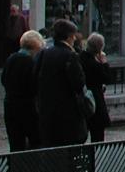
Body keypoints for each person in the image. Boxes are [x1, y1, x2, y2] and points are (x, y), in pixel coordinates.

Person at [35, 19, 89, 147]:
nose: (75, 38)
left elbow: (35, 77)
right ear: (70, 36)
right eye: (74, 35)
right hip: (67, 115)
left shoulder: (44, 53)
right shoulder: (70, 55)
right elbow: (79, 83)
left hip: (47, 111)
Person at [1, 29, 43, 151]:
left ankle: (15, 168)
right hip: (27, 107)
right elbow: (34, 85)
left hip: (10, 105)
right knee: (35, 141)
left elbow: (3, 80)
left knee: (15, 143)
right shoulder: (30, 62)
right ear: (35, 47)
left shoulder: (11, 58)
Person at [80, 32, 112, 143]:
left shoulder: (79, 58)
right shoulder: (96, 65)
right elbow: (107, 78)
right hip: (95, 101)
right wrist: (104, 63)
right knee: (97, 135)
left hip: (82, 99)